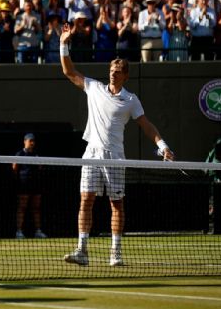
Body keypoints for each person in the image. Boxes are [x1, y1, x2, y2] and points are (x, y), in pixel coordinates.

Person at [58, 24, 174, 266]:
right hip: (91, 153)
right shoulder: (94, 88)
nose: (113, 73)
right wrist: (64, 44)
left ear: (125, 76)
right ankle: (82, 250)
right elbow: (69, 72)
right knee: (86, 200)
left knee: (116, 204)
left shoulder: (131, 100)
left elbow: (147, 125)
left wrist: (162, 145)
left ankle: (115, 252)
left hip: (115, 156)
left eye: (118, 70)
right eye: (112, 69)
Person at [12, 133, 47, 239]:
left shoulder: (36, 155)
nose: (32, 143)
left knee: (36, 208)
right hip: (24, 185)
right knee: (22, 208)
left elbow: (40, 167)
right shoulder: (20, 154)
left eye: (33, 141)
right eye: (30, 141)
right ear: (25, 141)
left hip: (36, 185)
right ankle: (19, 231)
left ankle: (38, 231)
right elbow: (14, 168)